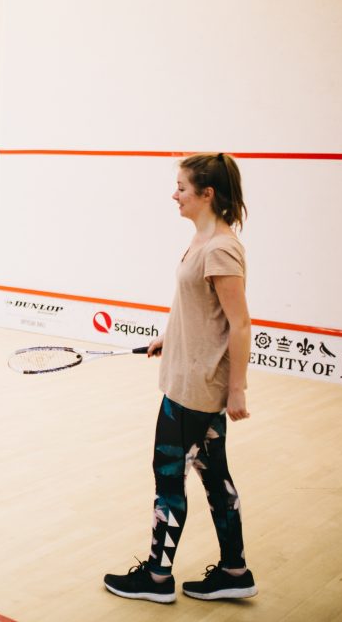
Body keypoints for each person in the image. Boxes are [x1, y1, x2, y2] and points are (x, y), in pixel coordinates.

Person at [104, 153, 257, 603]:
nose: (175, 194)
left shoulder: (221, 248)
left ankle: (156, 579)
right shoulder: (202, 241)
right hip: (190, 378)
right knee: (215, 477)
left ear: (207, 194)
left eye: (182, 188)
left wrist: (237, 388)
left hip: (196, 389)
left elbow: (240, 323)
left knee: (169, 477)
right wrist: (169, 337)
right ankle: (234, 570)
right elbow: (198, 308)